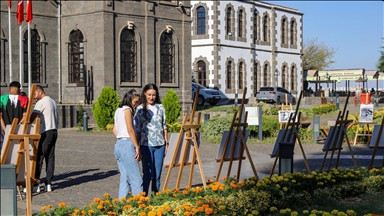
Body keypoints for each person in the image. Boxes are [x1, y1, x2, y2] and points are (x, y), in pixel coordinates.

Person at [134, 84, 169, 196]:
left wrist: (166, 143)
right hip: (146, 145)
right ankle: (143, 198)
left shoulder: (161, 107)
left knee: (157, 175)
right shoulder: (139, 109)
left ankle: (155, 198)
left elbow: (164, 126)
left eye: (154, 95)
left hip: (160, 145)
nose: (151, 97)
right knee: (147, 174)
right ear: (144, 93)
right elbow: (137, 129)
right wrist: (137, 146)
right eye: (149, 95)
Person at [112, 89, 142, 199]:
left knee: (124, 178)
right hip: (127, 144)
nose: (136, 104)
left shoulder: (118, 110)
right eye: (135, 101)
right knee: (136, 179)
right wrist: (137, 146)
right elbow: (130, 129)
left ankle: (121, 205)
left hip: (119, 144)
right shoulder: (128, 110)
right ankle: (139, 206)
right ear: (129, 100)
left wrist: (121, 139)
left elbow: (114, 130)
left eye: (138, 102)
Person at [31, 85, 59, 193]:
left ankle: (36, 184)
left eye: (34, 94)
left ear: (40, 92)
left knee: (40, 157)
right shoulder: (53, 101)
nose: (34, 97)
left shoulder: (41, 102)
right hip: (54, 130)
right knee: (50, 157)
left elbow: (32, 117)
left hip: (46, 131)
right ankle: (48, 183)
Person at [0, 81, 28, 147]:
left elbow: (0, 117)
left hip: (4, 130)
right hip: (18, 131)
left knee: (4, 151)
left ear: (10, 89)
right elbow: (24, 117)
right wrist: (18, 128)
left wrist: (5, 130)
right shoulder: (24, 100)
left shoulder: (2, 99)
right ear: (19, 90)